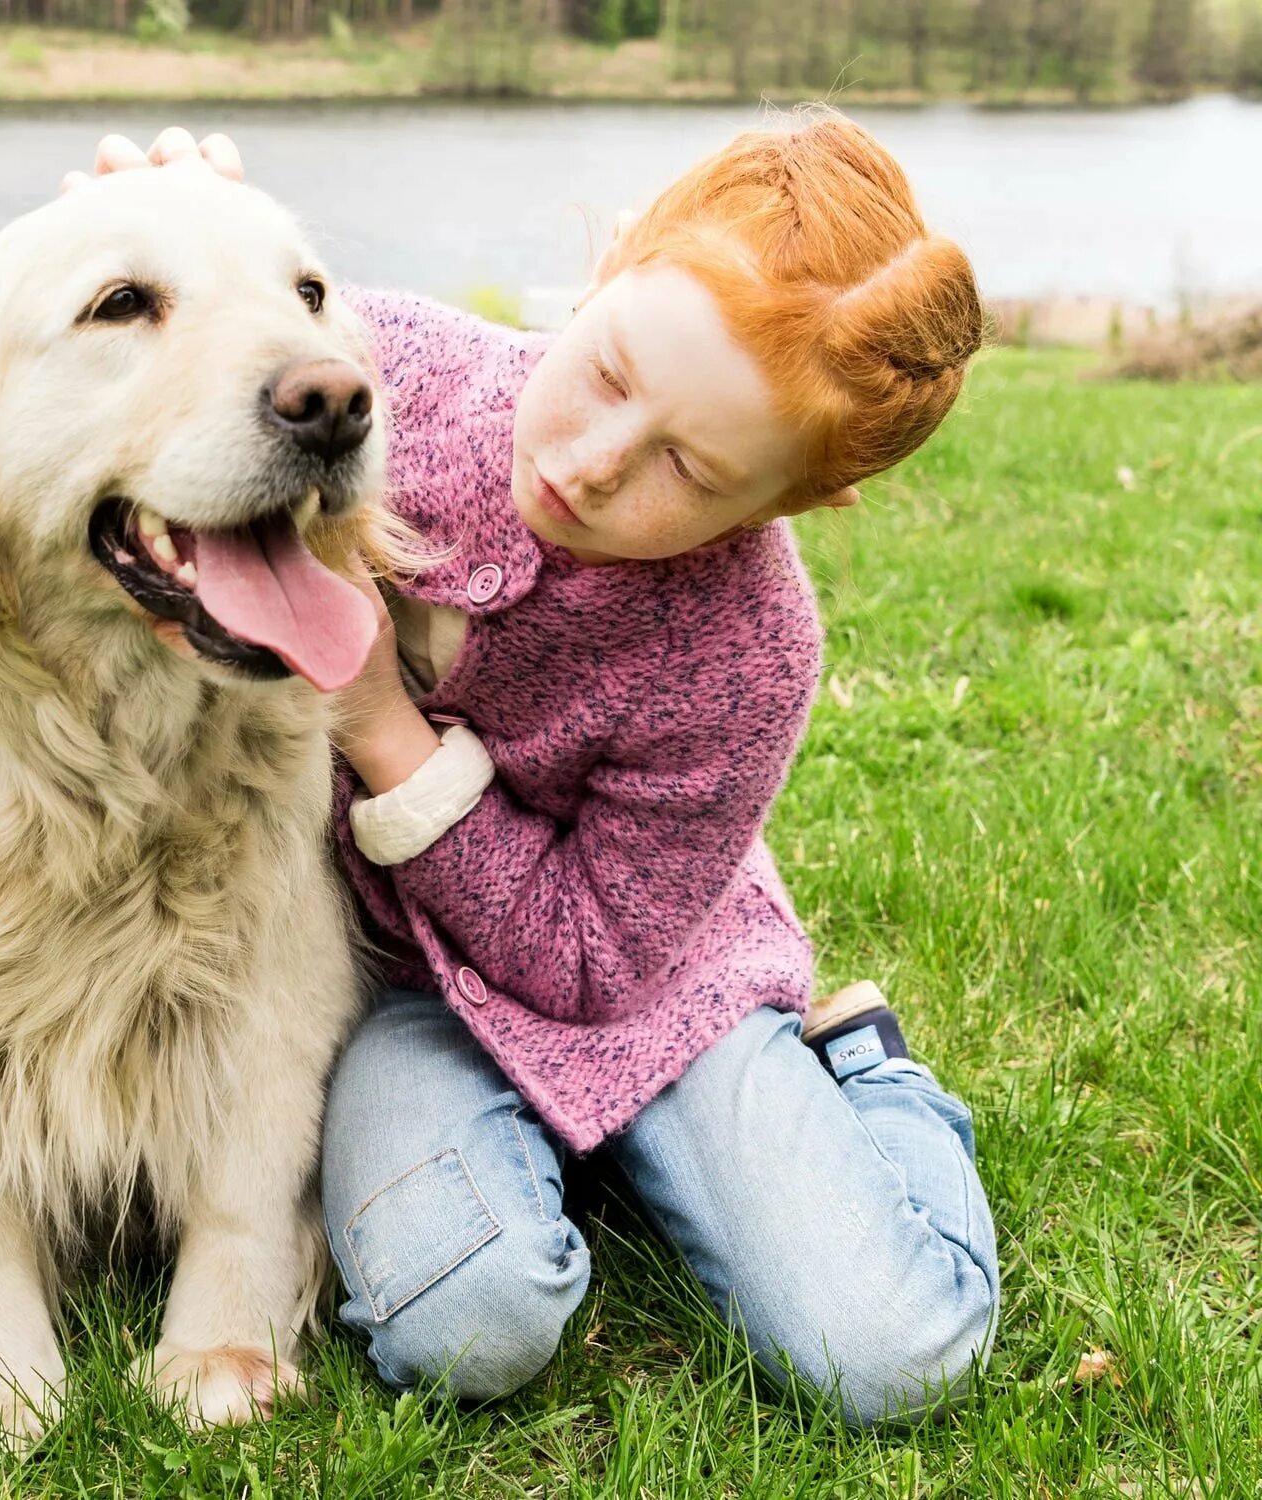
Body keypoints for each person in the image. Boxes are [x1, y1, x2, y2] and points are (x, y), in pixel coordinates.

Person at [84, 107, 996, 1427]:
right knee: (469, 1328)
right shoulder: (380, 369)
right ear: (614, 259)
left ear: (793, 499)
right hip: (399, 993)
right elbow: (220, 345)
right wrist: (178, 225)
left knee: (889, 1356)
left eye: (686, 465)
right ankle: (572, 1170)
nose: (591, 461)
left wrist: (386, 733)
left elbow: (588, 959)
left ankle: (867, 1077)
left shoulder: (753, 648)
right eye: (614, 371)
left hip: (658, 993)